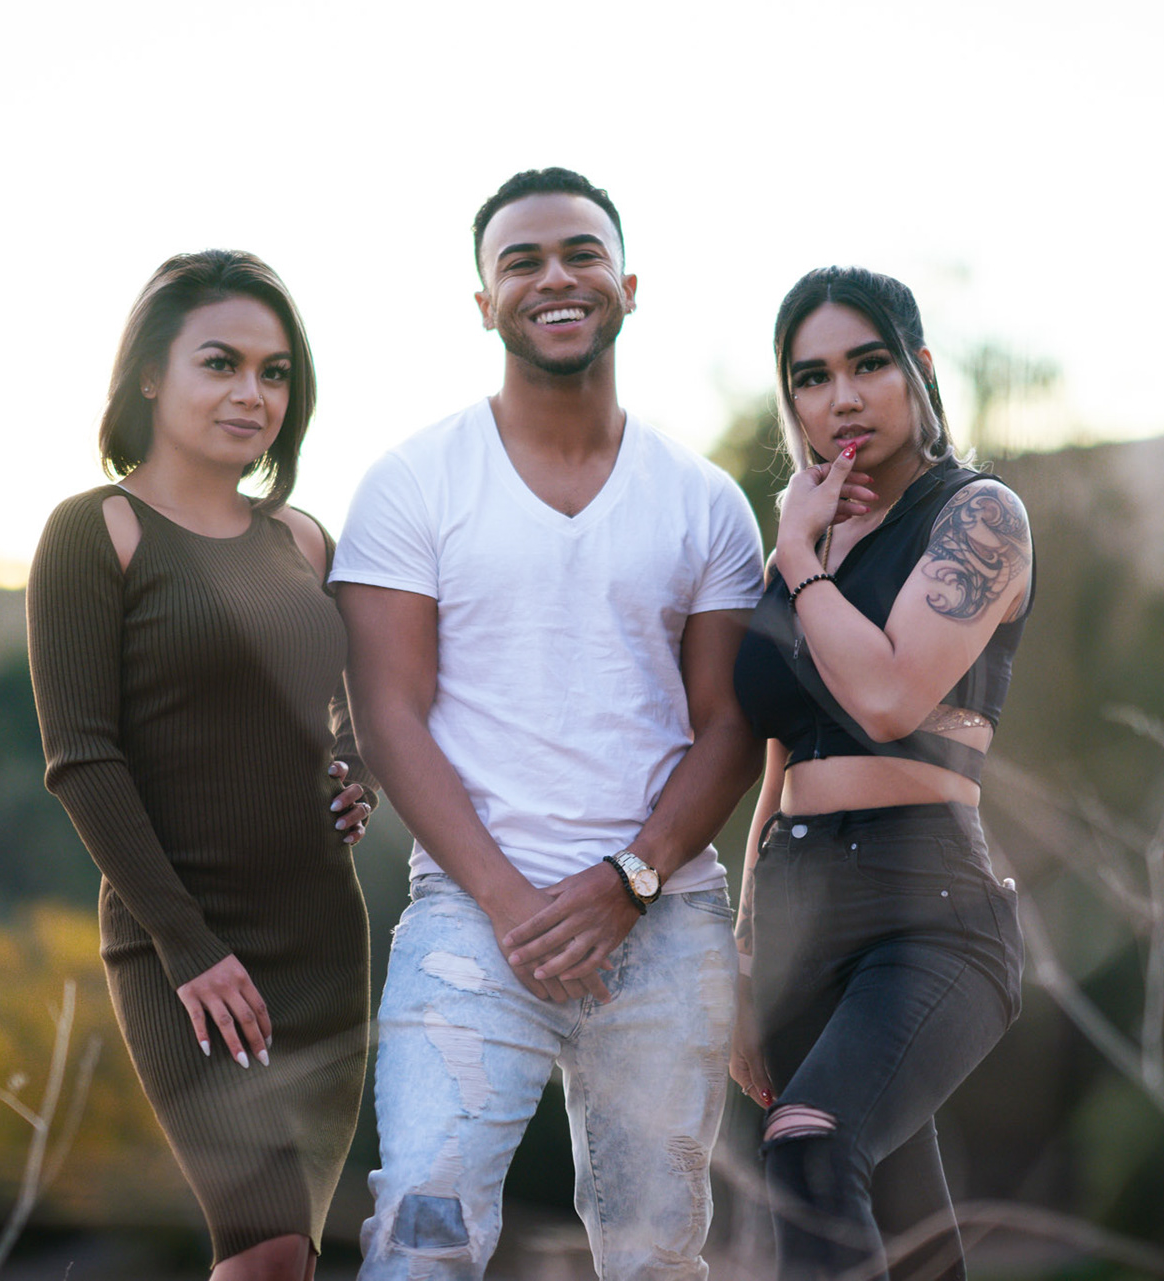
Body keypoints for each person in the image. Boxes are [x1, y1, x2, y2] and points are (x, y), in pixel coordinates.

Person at [331, 167, 765, 1280]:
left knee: (656, 1257)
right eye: (520, 262)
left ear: (628, 285)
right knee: (421, 1233)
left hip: (663, 923)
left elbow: (729, 722)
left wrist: (630, 882)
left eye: (581, 254)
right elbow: (389, 714)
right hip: (472, 924)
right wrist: (513, 904)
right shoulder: (412, 482)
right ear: (484, 302)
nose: (554, 278)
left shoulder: (705, 500)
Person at [26, 250, 376, 1281]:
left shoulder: (303, 541)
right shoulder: (98, 531)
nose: (251, 393)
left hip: (324, 941)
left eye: (274, 373)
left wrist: (353, 767)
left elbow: (344, 702)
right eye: (220, 363)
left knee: (289, 1259)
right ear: (150, 374)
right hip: (185, 944)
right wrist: (188, 947)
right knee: (262, 1249)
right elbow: (81, 759)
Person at [729, 267, 1032, 1281]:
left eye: (867, 365)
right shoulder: (810, 543)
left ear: (919, 369)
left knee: (810, 1147)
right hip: (797, 909)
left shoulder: (977, 516)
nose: (843, 398)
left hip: (926, 902)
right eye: (812, 377)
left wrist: (797, 553)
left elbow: (891, 697)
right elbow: (779, 752)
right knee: (912, 1241)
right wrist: (747, 952)